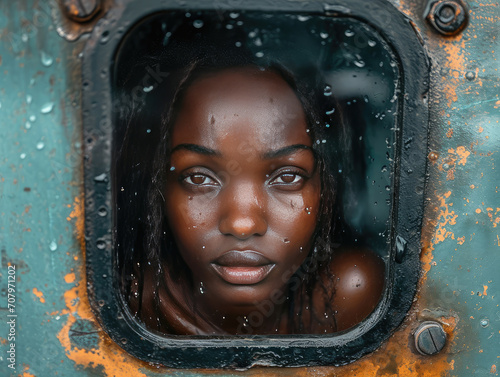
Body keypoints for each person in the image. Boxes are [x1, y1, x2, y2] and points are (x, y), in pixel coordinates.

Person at [118, 42, 385, 335]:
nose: (243, 224)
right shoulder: (128, 304)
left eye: (287, 178)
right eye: (199, 178)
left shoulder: (345, 295)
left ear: (325, 190)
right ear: (160, 192)